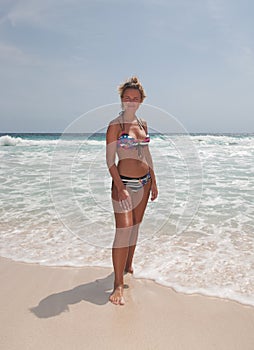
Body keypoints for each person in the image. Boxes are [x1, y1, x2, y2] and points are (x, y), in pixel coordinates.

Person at [106, 76, 158, 305]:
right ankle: (118, 284)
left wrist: (154, 181)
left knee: (135, 226)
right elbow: (109, 161)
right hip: (124, 183)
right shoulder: (115, 126)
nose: (131, 101)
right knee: (123, 229)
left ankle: (127, 266)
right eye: (127, 98)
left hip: (144, 182)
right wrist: (120, 187)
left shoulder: (143, 124)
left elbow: (146, 155)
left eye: (135, 98)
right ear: (121, 100)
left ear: (141, 101)